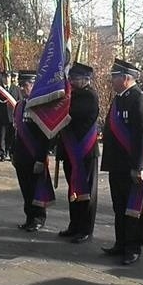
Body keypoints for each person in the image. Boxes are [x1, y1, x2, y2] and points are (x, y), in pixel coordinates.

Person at [101, 59, 143, 265]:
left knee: (134, 209)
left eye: (114, 77)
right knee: (119, 206)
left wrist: (138, 166)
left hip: (132, 166)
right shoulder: (118, 100)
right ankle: (121, 243)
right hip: (117, 165)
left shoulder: (140, 100)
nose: (111, 81)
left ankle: (133, 247)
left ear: (125, 78)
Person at [56, 63, 99, 243]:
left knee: (86, 192)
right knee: (73, 190)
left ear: (85, 80)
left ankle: (85, 229)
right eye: (70, 79)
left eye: (74, 79)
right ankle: (74, 224)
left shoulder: (89, 96)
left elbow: (76, 115)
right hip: (69, 150)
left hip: (84, 150)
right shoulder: (69, 95)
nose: (71, 82)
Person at [11, 71, 54, 231]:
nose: (22, 88)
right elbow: (15, 131)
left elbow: (45, 136)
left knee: (36, 188)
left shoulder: (41, 106)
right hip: (21, 155)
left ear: (34, 85)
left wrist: (41, 158)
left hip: (34, 155)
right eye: (20, 85)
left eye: (26, 85)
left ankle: (38, 218)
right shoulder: (19, 105)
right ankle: (29, 217)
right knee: (26, 189)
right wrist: (13, 152)